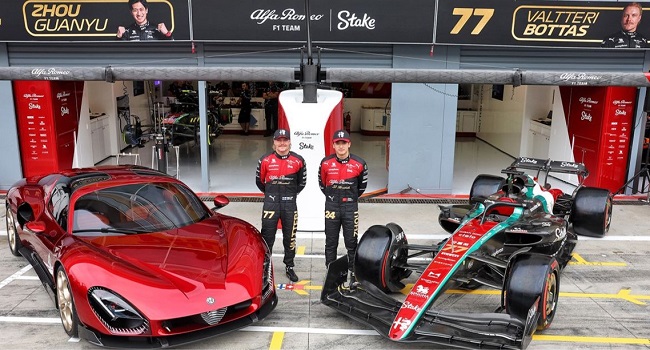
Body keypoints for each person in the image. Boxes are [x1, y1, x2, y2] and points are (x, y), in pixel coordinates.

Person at [255, 129, 307, 283]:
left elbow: (301, 183)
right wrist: (273, 195)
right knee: (267, 236)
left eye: (285, 140)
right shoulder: (264, 160)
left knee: (289, 237)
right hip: (271, 203)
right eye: (279, 140)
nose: (282, 143)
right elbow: (260, 182)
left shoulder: (299, 160)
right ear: (274, 142)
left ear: (290, 142)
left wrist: (288, 195)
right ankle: (265, 266)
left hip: (290, 203)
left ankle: (289, 266)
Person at [318, 130, 368, 287]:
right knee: (331, 241)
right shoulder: (325, 163)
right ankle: (330, 272)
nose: (341, 146)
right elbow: (322, 184)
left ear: (349, 144)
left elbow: (361, 187)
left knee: (351, 242)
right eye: (338, 143)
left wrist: (349, 198)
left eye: (344, 143)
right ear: (333, 145)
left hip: (350, 207)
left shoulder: (360, 164)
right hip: (332, 205)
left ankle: (353, 273)